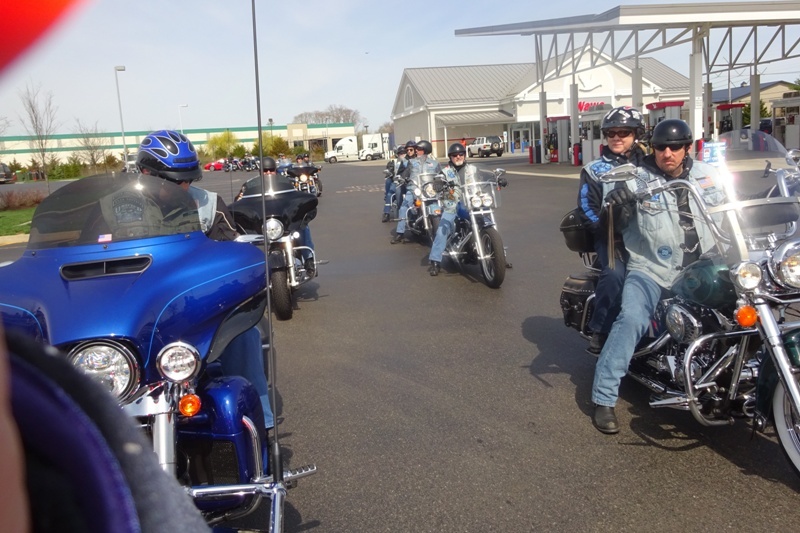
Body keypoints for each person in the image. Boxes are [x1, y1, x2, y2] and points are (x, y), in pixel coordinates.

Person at [590, 119, 726, 434]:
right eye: (661, 147)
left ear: (687, 147)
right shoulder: (634, 178)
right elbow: (612, 221)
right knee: (632, 318)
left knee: (750, 306)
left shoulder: (708, 175)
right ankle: (603, 397)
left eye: (675, 147)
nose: (667, 153)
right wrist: (618, 205)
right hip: (653, 268)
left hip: (704, 266)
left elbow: (733, 208)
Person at [136, 130, 274, 432]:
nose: (184, 187)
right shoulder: (118, 209)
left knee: (243, 333)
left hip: (196, 304)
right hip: (139, 311)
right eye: (175, 181)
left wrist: (247, 263)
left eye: (188, 179)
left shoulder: (208, 204)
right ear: (146, 174)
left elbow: (232, 252)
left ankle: (260, 420)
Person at [577, 106, 646, 355]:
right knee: (616, 274)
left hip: (650, 234)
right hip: (612, 237)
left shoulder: (651, 166)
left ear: (636, 134)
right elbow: (586, 207)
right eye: (611, 133)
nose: (616, 137)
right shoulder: (594, 169)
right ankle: (601, 328)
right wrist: (605, 226)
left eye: (624, 132)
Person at [427, 142, 475, 275]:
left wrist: (495, 180)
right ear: (450, 157)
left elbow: (483, 178)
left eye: (461, 154)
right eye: (455, 155)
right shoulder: (445, 172)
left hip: (471, 203)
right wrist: (437, 185)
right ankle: (435, 261)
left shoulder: (472, 169)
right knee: (442, 230)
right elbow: (436, 182)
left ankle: (499, 256)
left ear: (464, 155)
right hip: (452, 206)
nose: (458, 157)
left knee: (488, 222)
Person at [391, 139, 441, 244]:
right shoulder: (412, 162)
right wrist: (401, 178)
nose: (416, 150)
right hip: (414, 190)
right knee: (404, 206)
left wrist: (442, 181)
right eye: (416, 149)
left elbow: (440, 175)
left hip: (429, 191)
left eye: (418, 149)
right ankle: (400, 233)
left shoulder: (434, 163)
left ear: (425, 150)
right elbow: (405, 173)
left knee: (440, 206)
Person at [382, 145, 409, 223]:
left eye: (404, 153)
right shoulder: (394, 162)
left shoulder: (410, 161)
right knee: (390, 194)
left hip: (408, 182)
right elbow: (390, 169)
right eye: (400, 153)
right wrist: (390, 172)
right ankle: (386, 213)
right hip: (397, 182)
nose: (402, 155)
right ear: (397, 154)